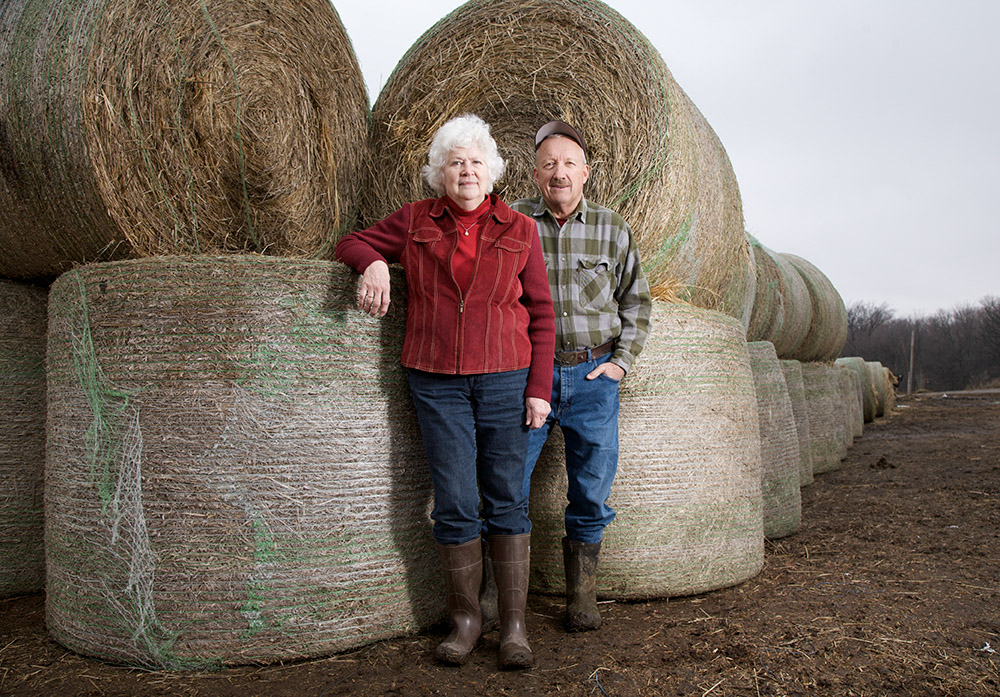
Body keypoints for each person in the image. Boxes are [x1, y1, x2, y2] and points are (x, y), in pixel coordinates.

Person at [334, 114, 555, 669]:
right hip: (435, 380)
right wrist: (376, 264)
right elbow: (350, 242)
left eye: (477, 162)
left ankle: (513, 628)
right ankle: (465, 622)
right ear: (439, 172)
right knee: (455, 502)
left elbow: (544, 315)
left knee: (506, 497)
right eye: (456, 162)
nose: (467, 171)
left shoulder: (519, 229)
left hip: (506, 376)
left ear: (492, 171)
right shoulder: (414, 221)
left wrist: (538, 389)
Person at [511, 120, 652, 632]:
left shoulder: (613, 228)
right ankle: (502, 598)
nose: (559, 173)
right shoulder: (513, 223)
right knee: (508, 484)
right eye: (549, 164)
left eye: (569, 163)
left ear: (586, 172)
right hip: (531, 376)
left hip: (594, 377)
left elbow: (637, 301)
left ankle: (581, 595)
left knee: (591, 487)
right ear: (534, 173)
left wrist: (621, 362)